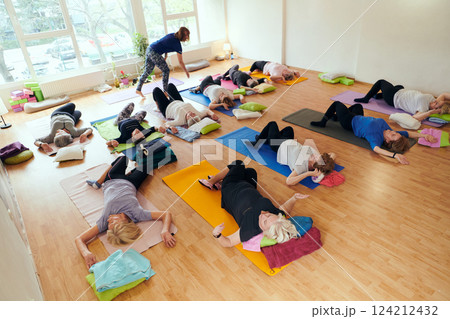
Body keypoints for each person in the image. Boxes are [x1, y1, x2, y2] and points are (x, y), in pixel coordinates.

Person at [76, 155, 176, 269]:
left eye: (109, 224)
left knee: (124, 157)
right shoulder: (137, 214)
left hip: (112, 180)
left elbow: (79, 239)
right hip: (132, 184)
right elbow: (165, 214)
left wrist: (86, 253)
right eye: (112, 222)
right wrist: (165, 230)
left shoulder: (105, 219)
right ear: (124, 221)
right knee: (145, 162)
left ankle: (99, 182)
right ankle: (118, 176)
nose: (108, 220)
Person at [198, 160, 309, 247]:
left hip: (230, 188)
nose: (264, 215)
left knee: (238, 164)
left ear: (264, 231)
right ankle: (221, 182)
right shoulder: (276, 219)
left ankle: (211, 182)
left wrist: (217, 235)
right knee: (251, 172)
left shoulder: (250, 229)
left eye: (264, 221)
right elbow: (284, 210)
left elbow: (229, 242)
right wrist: (294, 198)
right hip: (246, 185)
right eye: (270, 215)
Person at [310, 101, 437, 164]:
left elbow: (376, 149)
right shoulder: (390, 132)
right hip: (358, 116)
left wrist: (394, 156)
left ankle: (323, 122)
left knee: (337, 103)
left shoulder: (375, 137)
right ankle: (336, 116)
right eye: (395, 133)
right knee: (358, 106)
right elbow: (408, 134)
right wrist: (424, 135)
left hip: (349, 122)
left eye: (392, 135)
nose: (392, 131)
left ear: (387, 141)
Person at [250, 121, 336, 185]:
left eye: (315, 158)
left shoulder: (301, 166)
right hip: (289, 141)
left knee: (272, 124)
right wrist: (323, 170)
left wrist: (309, 174)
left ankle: (258, 142)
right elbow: (333, 154)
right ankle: (267, 139)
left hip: (279, 145)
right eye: (318, 155)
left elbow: (289, 181)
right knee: (289, 129)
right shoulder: (319, 160)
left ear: (314, 166)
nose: (315, 155)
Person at [354, 79, 450, 122]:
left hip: (393, 98)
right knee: (399, 86)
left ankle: (366, 98)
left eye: (436, 104)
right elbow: (444, 95)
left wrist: (431, 112)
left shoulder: (423, 109)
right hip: (400, 91)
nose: (434, 101)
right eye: (437, 101)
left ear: (435, 110)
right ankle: (379, 95)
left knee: (381, 82)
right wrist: (440, 103)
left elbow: (415, 118)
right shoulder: (433, 101)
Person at [136, 27, 190, 98]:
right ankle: (165, 92)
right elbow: (180, 61)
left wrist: (166, 56)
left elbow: (165, 44)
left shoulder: (172, 35)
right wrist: (186, 71)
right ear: (182, 35)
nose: (187, 37)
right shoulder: (177, 45)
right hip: (154, 52)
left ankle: (138, 89)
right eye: (186, 35)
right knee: (166, 70)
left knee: (147, 71)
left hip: (149, 49)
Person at [153, 83, 219, 128]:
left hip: (167, 108)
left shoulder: (180, 121)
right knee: (170, 86)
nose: (191, 113)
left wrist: (171, 128)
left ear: (187, 120)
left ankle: (158, 106)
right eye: (194, 114)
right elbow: (206, 111)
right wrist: (212, 114)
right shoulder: (198, 115)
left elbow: (167, 124)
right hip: (178, 101)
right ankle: (165, 98)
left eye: (190, 116)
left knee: (156, 90)